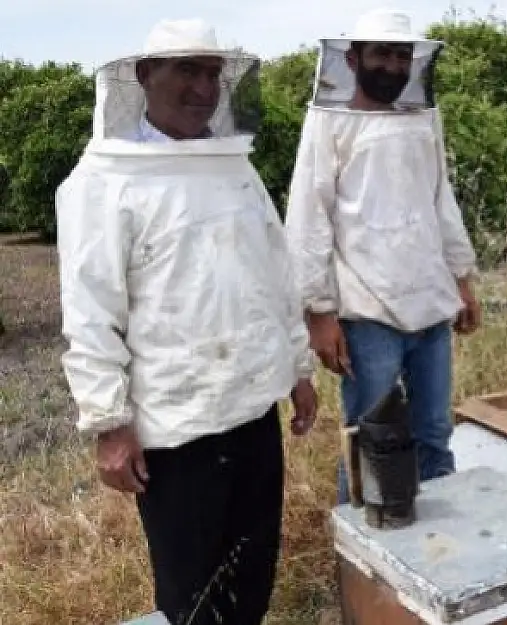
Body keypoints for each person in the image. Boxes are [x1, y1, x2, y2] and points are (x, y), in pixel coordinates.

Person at [55, 19, 318, 625]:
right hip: (176, 431)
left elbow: (275, 277)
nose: (204, 87)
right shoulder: (102, 183)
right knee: (193, 595)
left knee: (252, 575)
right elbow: (92, 313)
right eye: (186, 70)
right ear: (146, 75)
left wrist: (298, 369)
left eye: (212, 73)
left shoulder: (234, 166)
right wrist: (109, 422)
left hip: (254, 411)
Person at [284, 8, 480, 501]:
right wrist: (320, 312)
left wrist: (462, 276)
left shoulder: (423, 117)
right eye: (382, 54)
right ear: (352, 58)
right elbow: (309, 216)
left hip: (430, 304)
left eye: (401, 55)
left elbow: (441, 199)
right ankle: (364, 560)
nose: (393, 66)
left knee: (434, 433)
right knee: (372, 436)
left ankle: (442, 556)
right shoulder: (328, 120)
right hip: (367, 311)